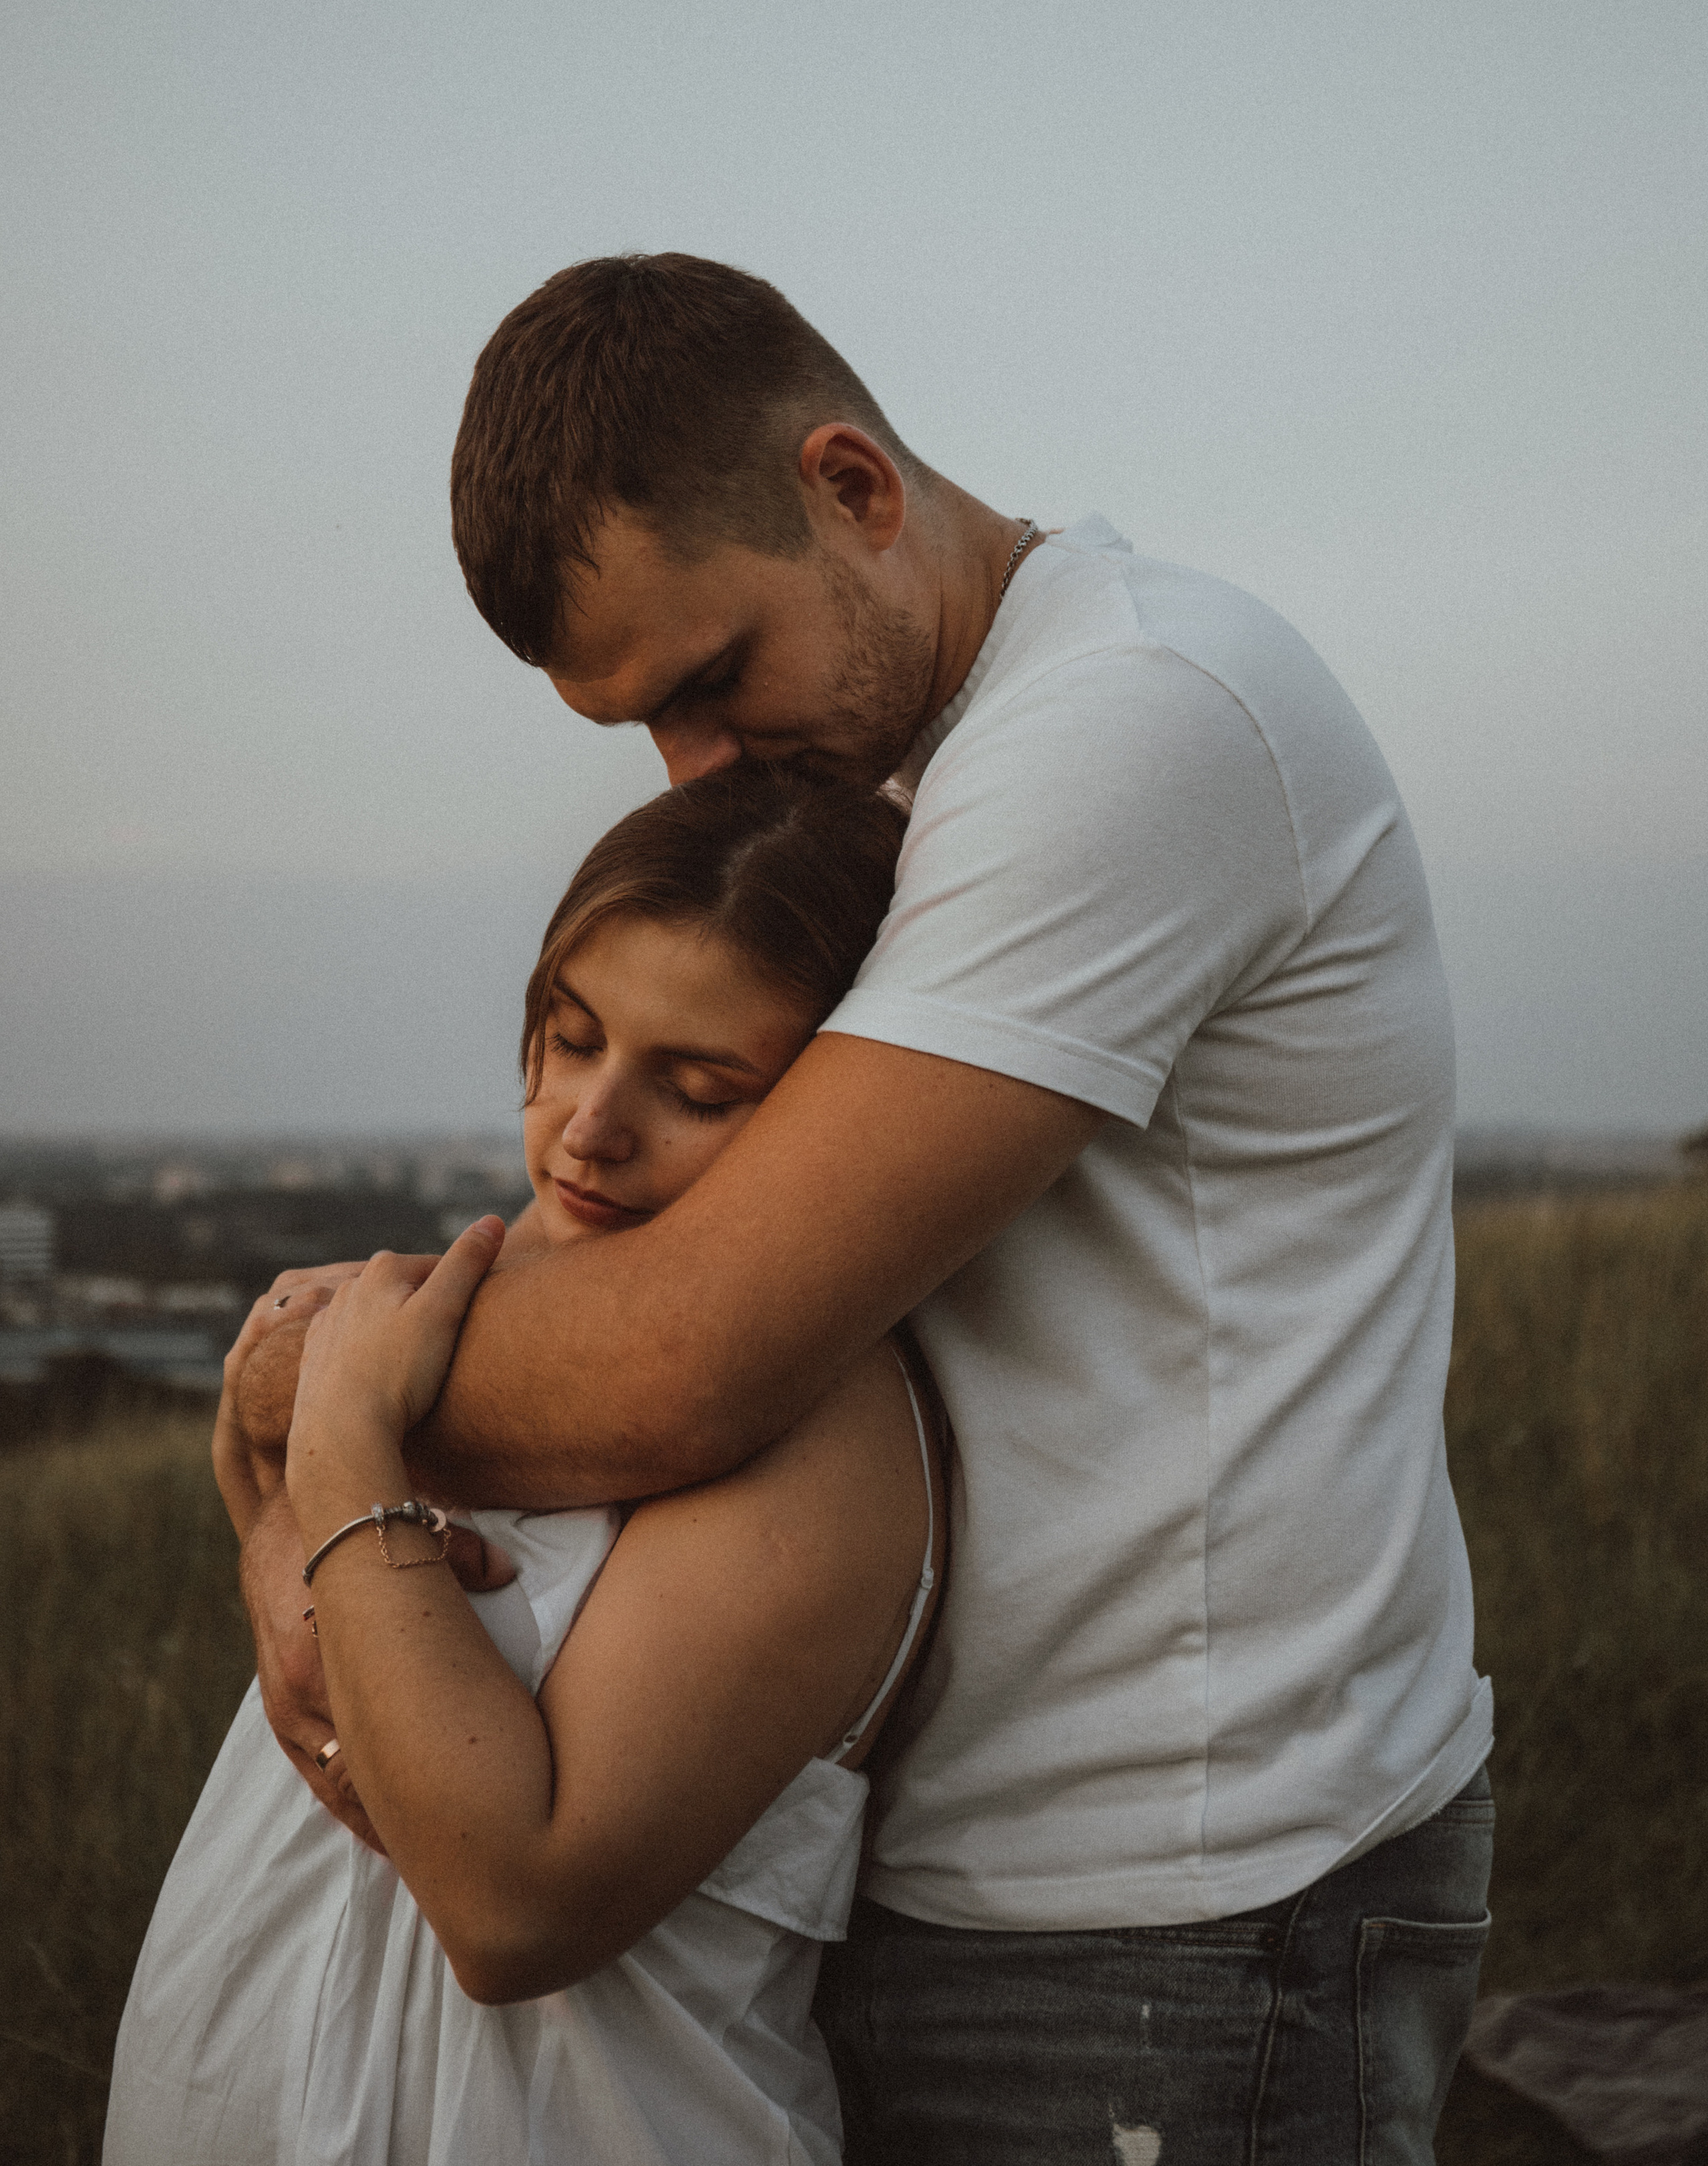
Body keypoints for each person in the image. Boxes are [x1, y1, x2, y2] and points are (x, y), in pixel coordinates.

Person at [235, 253, 1494, 2163]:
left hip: (1184, 1900)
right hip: (925, 1867)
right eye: (642, 730)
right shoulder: (902, 793)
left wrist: (310, 1409)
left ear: (853, 486)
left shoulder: (1132, 716)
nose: (698, 772)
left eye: (717, 678)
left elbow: (687, 1356)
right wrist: (303, 1467)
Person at [105, 763, 943, 2166]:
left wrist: (352, 1455)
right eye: (569, 1039)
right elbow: (271, 1484)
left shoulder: (822, 1432)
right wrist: (282, 1468)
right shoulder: (465, 1302)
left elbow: (511, 1915)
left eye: (696, 1089)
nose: (588, 1125)